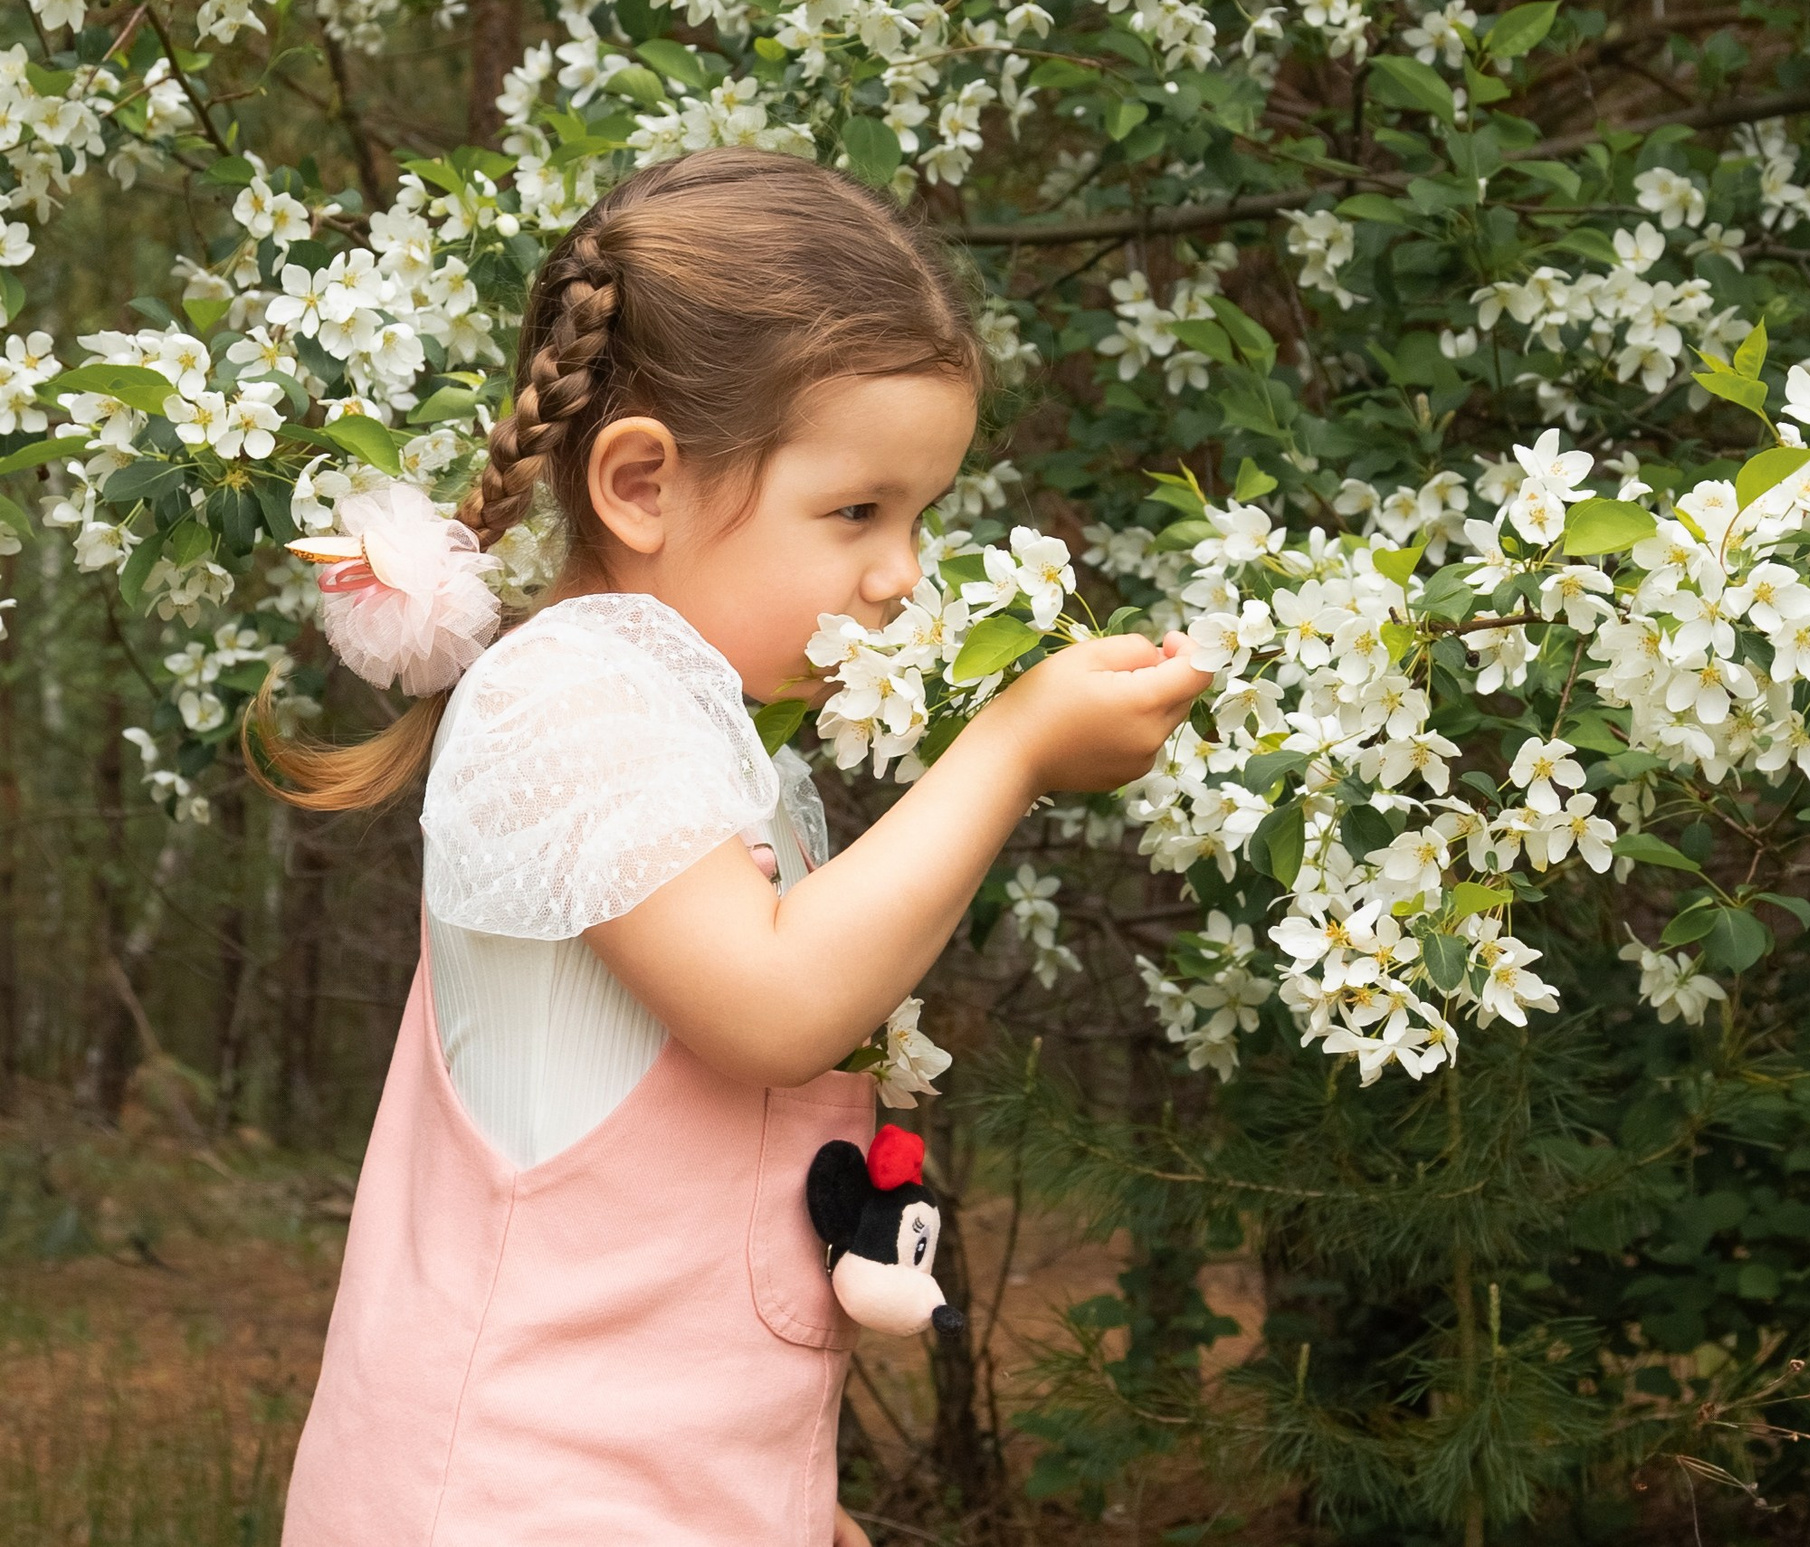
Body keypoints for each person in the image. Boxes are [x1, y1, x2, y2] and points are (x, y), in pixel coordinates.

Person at [252, 147, 1209, 1546]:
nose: (902, 574)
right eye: (856, 513)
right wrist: (1005, 752)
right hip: (512, 1502)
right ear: (641, 485)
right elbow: (772, 1008)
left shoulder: (703, 740)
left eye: (921, 515)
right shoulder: (564, 698)